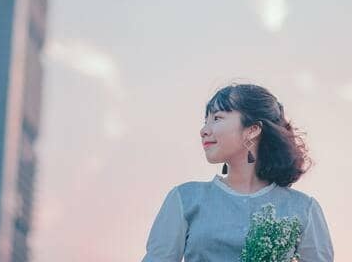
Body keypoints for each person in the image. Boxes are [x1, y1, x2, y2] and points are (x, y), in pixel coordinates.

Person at [141, 82, 334, 261]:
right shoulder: (185, 199)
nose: (204, 130)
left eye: (217, 118)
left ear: (252, 130)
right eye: (205, 121)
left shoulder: (303, 209)